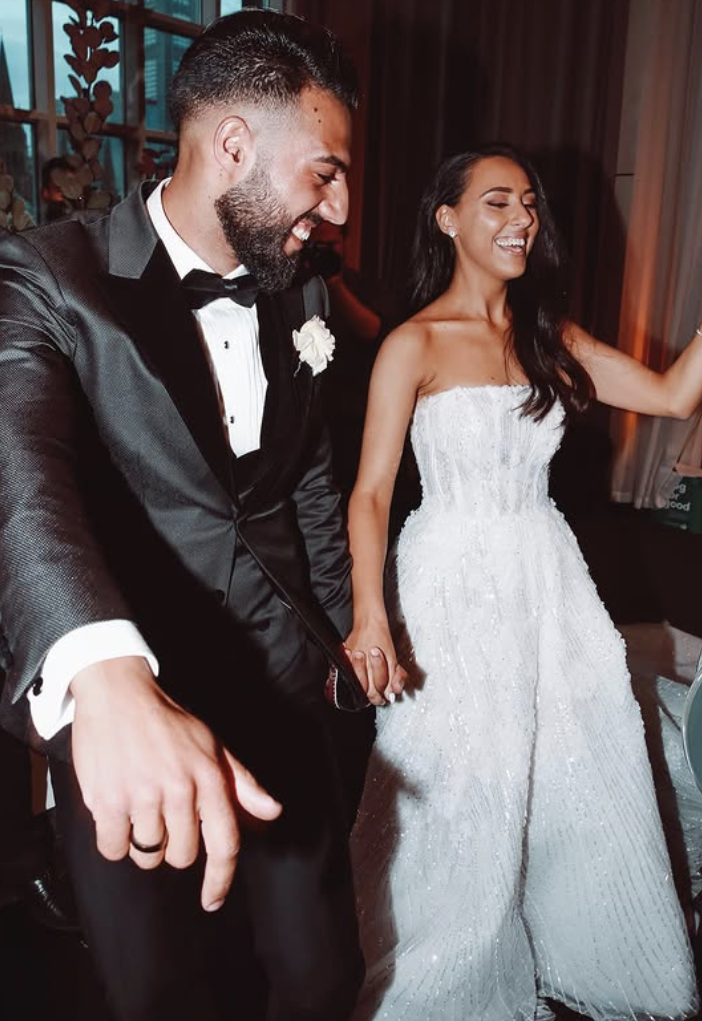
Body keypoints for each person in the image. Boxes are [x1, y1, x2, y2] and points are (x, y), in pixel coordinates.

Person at [345, 143, 702, 1021]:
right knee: (460, 780)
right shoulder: (413, 344)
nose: (522, 219)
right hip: (448, 579)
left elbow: (671, 395)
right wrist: (371, 617)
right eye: (498, 202)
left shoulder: (550, 335)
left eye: (530, 205)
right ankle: (446, 980)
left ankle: (567, 941)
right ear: (447, 219)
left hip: (543, 573)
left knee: (571, 764)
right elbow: (367, 493)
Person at [0, 10, 380, 1021]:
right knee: (155, 990)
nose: (338, 207)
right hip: (131, 701)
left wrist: (342, 636)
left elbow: (304, 484)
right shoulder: (48, 278)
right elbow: (21, 477)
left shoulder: (302, 290)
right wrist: (100, 670)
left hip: (286, 690)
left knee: (317, 975)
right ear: (235, 146)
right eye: (326, 171)